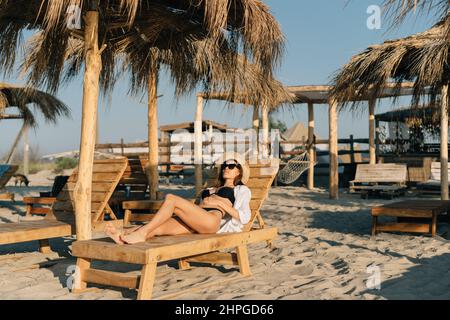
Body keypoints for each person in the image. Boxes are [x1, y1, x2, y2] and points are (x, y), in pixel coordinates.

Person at [105, 153, 252, 245]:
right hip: (197, 222)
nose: (226, 168)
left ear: (239, 171)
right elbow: (196, 208)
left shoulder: (241, 189)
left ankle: (141, 234)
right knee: (158, 228)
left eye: (231, 166)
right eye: (225, 165)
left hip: (211, 222)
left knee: (171, 198)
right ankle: (122, 234)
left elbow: (245, 217)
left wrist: (220, 203)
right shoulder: (211, 189)